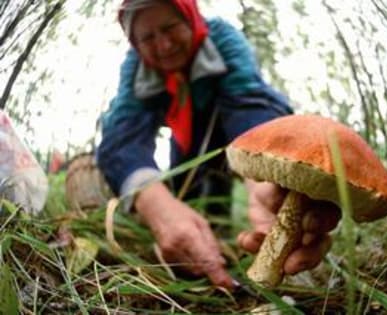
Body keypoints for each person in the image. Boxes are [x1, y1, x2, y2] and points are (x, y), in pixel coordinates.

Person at [97, 0, 340, 290]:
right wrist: (154, 204)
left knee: (229, 194)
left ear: (190, 18)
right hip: (184, 145)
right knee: (192, 214)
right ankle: (210, 253)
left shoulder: (222, 38)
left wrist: (266, 176)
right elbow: (124, 132)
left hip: (231, 135)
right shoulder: (135, 67)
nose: (163, 45)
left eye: (169, 28)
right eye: (147, 37)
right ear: (135, 43)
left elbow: (248, 101)